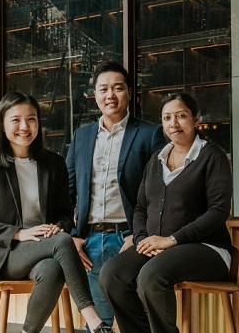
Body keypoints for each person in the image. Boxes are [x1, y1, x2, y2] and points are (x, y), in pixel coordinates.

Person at [0, 91, 116, 333]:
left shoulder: (53, 163)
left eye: (31, 119)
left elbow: (65, 214)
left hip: (45, 250)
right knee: (62, 242)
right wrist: (19, 234)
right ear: (2, 125)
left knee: (53, 269)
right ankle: (94, 319)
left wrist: (58, 226)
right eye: (16, 120)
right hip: (5, 254)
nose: (24, 126)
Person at [99, 92, 233, 333]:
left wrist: (172, 240)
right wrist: (141, 240)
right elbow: (140, 207)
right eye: (167, 117)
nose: (174, 123)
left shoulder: (212, 156)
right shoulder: (156, 160)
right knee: (112, 274)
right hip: (159, 248)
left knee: (151, 276)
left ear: (196, 118)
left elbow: (218, 211)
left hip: (207, 248)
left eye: (181, 116)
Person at [66, 60, 164, 330]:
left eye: (118, 88)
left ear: (129, 92)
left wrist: (140, 234)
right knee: (99, 322)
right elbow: (67, 192)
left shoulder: (150, 133)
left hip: (130, 238)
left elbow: (159, 194)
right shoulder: (82, 136)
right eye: (104, 89)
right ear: (95, 95)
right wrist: (72, 235)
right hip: (90, 241)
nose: (111, 95)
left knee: (134, 318)